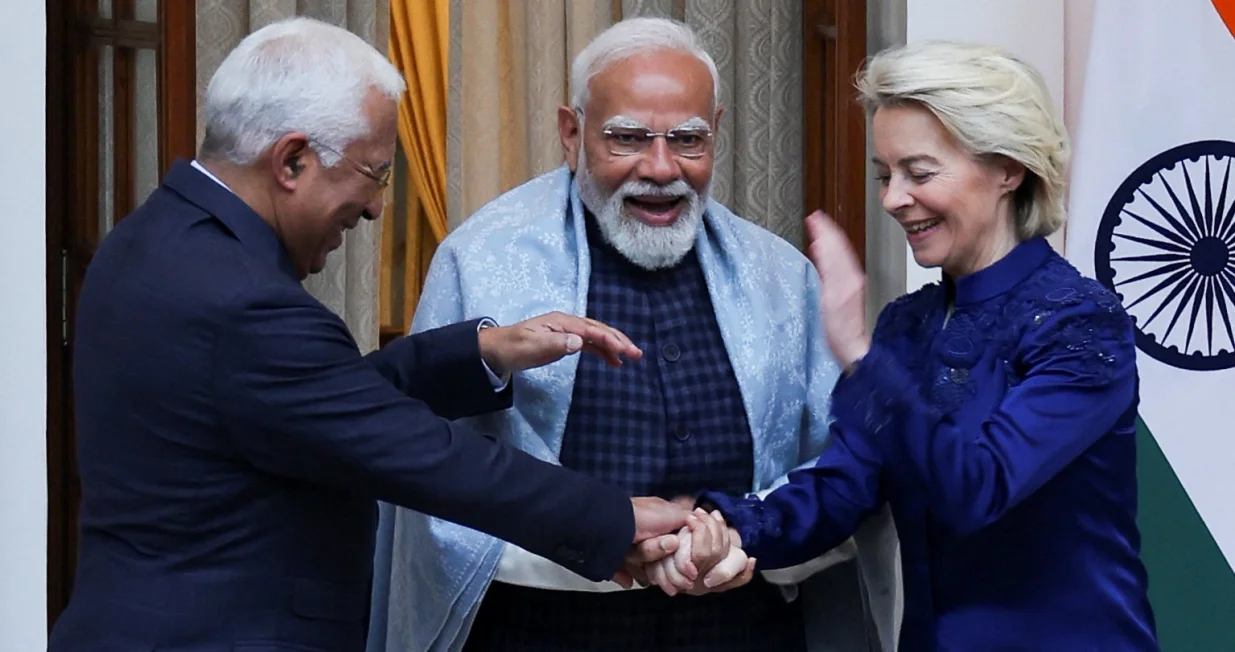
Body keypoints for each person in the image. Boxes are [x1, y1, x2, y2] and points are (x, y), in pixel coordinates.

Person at [46, 17, 698, 652]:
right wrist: (609, 520)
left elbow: (306, 404)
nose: (377, 207)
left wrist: (480, 352)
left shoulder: (148, 239)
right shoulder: (244, 305)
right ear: (293, 160)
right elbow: (417, 453)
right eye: (374, 173)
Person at [367, 17, 897, 652]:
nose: (661, 166)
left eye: (689, 140)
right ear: (572, 132)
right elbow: (425, 474)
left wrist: (742, 538)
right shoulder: (481, 260)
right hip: (540, 630)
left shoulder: (780, 274)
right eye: (627, 138)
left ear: (718, 131)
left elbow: (840, 460)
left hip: (740, 627)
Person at [680, 40, 1159, 650]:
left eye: (920, 172)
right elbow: (844, 486)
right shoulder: (909, 325)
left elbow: (979, 488)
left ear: (1008, 169)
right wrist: (728, 528)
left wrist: (857, 355)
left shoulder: (1082, 322)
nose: (892, 199)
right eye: (885, 175)